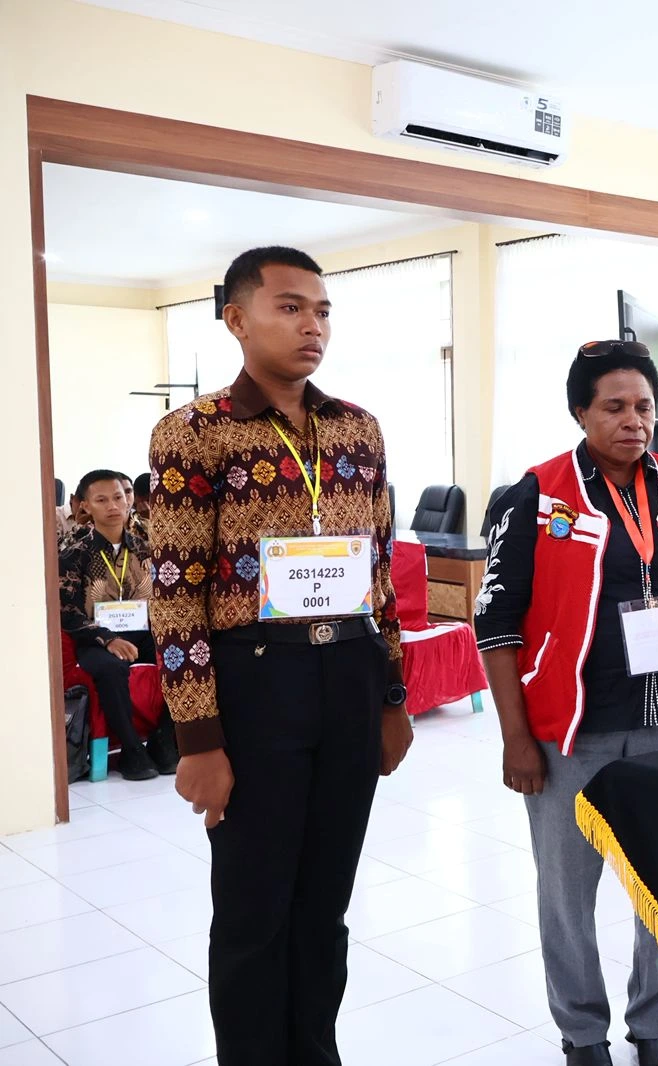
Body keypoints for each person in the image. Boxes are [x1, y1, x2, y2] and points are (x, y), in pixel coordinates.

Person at [147, 246, 413, 1066]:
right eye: (291, 307)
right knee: (255, 909)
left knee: (325, 904)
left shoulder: (357, 427)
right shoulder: (193, 433)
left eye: (323, 310)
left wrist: (393, 696)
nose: (313, 326)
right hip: (257, 679)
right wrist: (198, 740)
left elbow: (379, 569)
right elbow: (175, 593)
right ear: (237, 318)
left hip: (349, 674)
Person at [475, 339, 658, 1066]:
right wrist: (515, 737)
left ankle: (652, 1025)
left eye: (644, 407)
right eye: (615, 407)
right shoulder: (536, 494)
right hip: (572, 731)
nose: (634, 421)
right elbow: (495, 621)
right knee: (568, 898)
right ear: (580, 412)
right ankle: (582, 1034)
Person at [58, 468, 177, 779]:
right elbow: (66, 610)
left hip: (144, 631)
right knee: (109, 668)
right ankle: (132, 750)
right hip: (97, 637)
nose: (112, 505)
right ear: (85, 506)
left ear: (130, 500)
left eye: (118, 497)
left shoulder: (147, 548)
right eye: (101, 499)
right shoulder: (74, 553)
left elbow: (166, 596)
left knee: (182, 656)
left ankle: (165, 742)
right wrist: (107, 638)